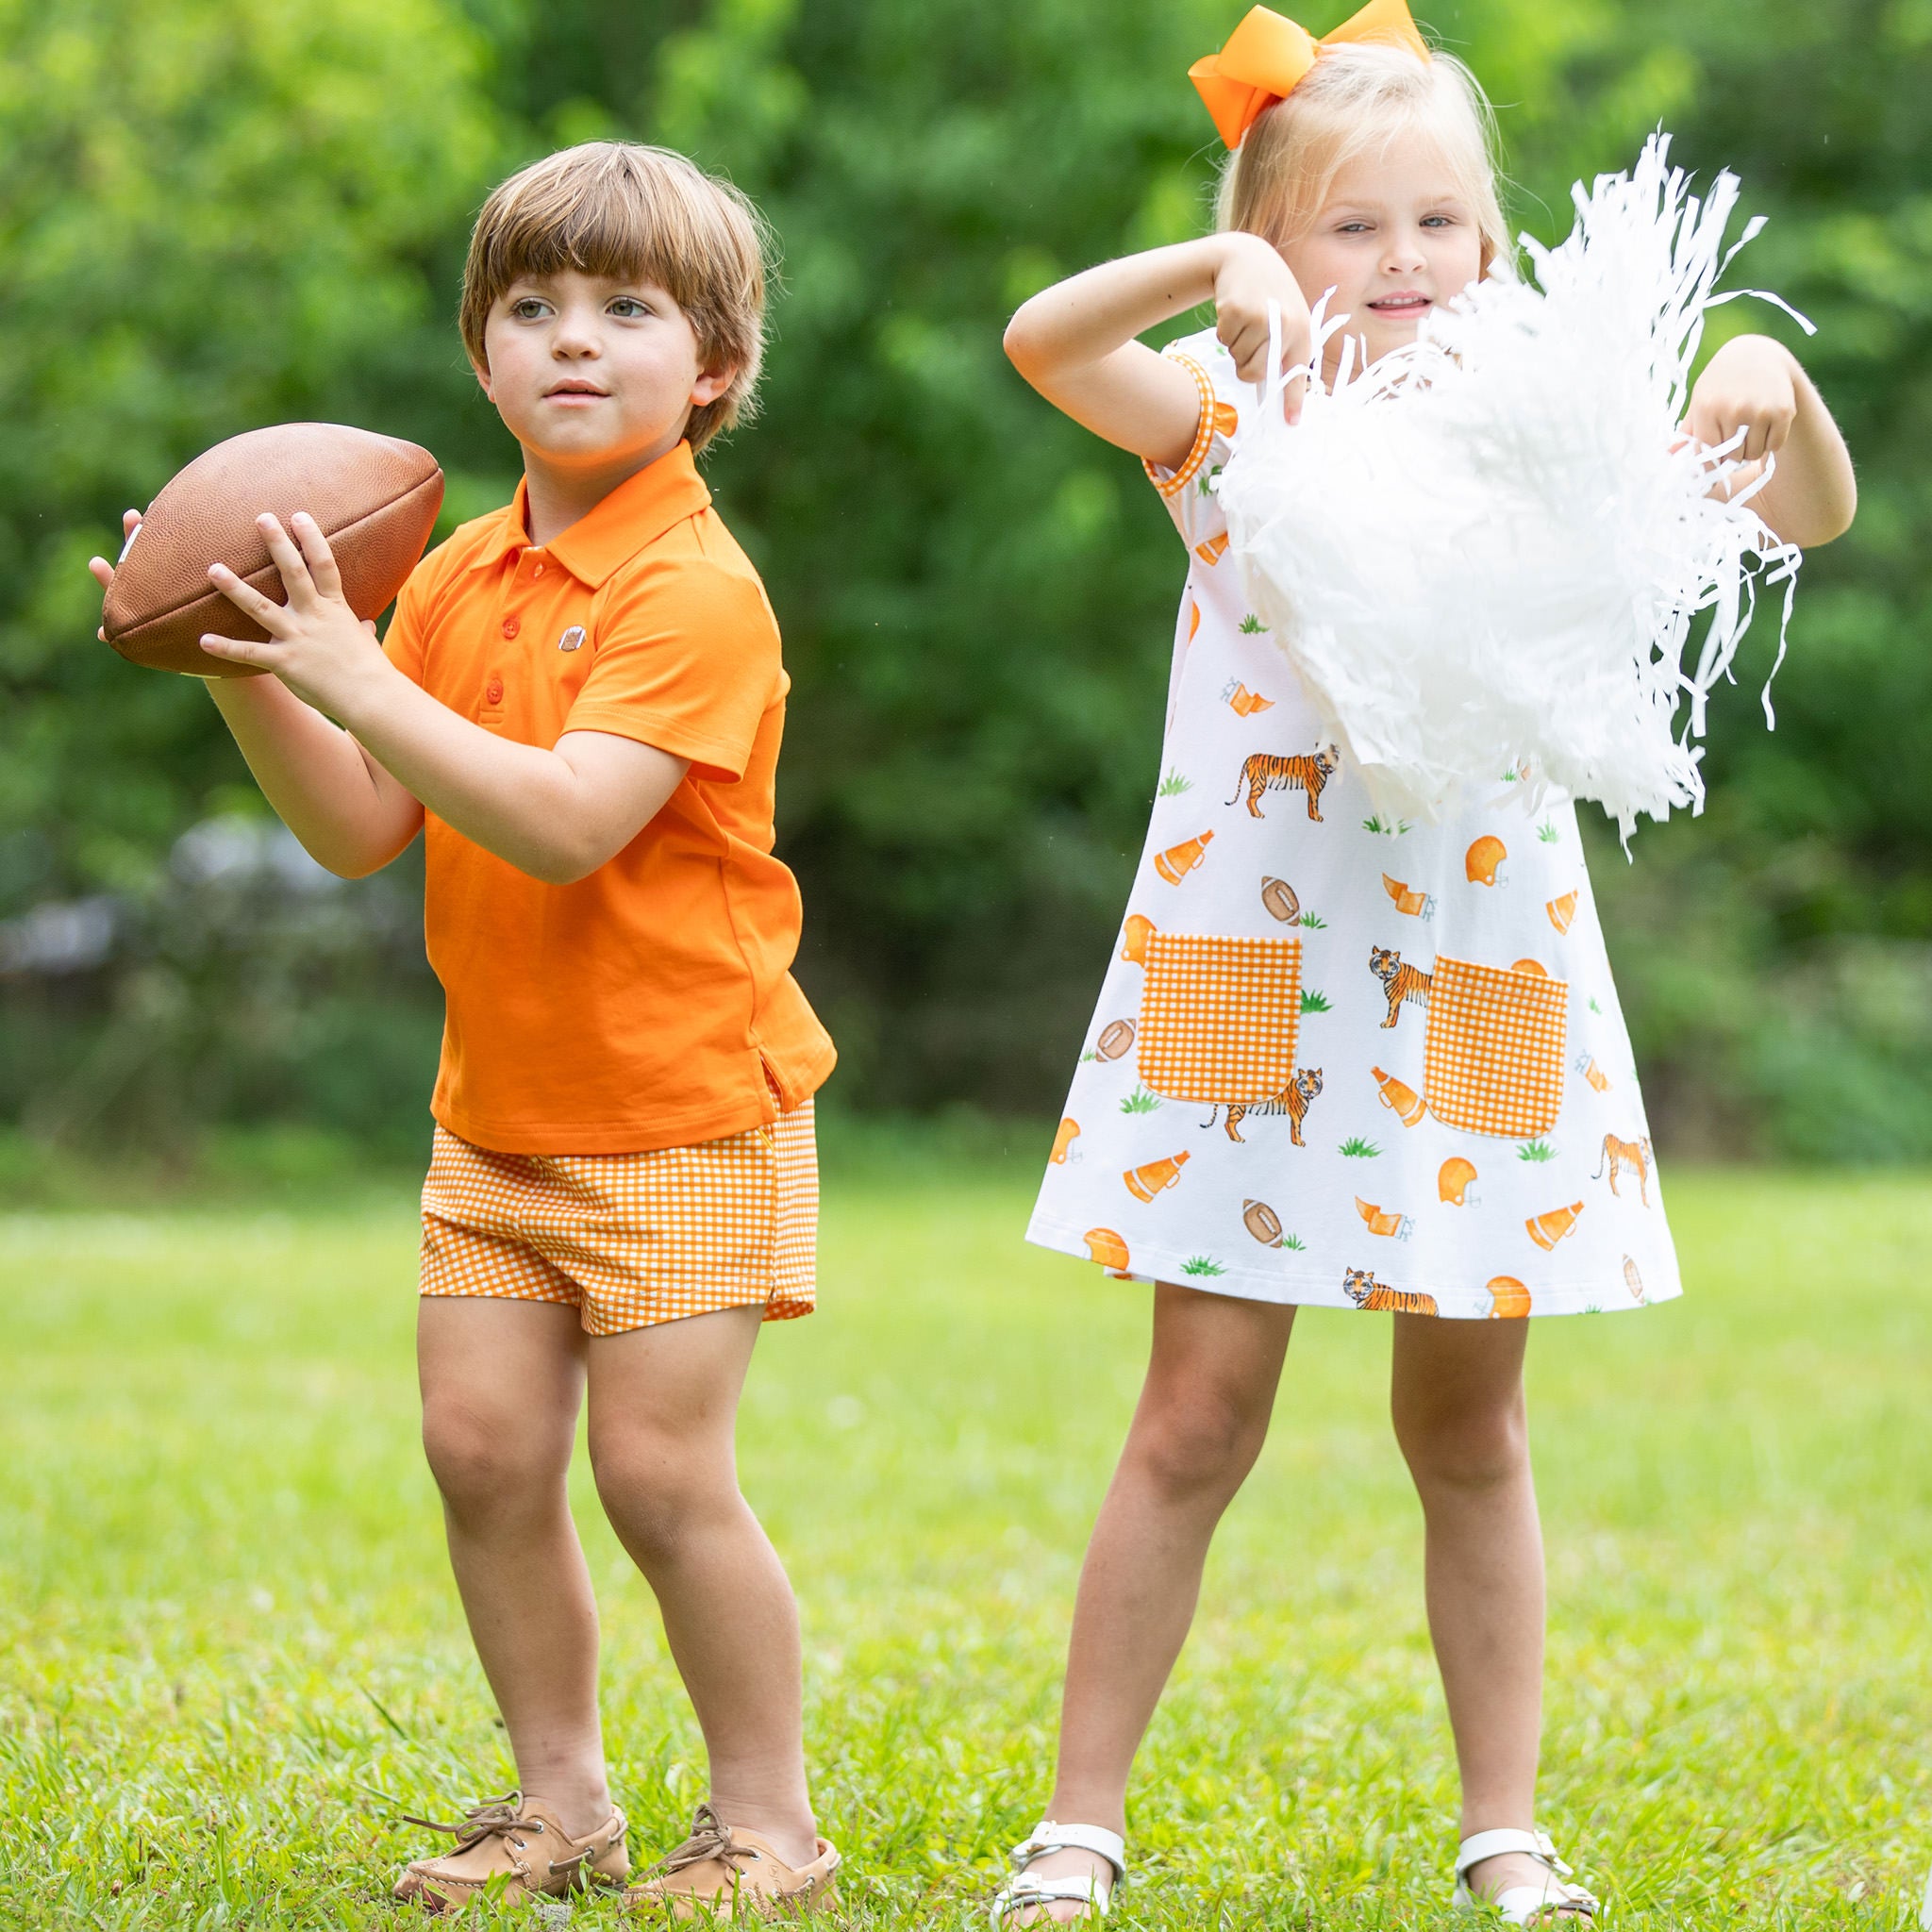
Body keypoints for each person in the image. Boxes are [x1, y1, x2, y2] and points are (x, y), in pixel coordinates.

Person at [996, 5, 1857, 1924]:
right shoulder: (1228, 432)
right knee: (1193, 1416)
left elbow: (1810, 514)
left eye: (1440, 227)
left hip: (1482, 983)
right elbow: (1047, 344)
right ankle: (1079, 1822)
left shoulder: (1552, 450)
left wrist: (1766, 385)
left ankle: (1504, 1828)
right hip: (1254, 986)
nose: (1398, 266)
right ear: (1275, 250)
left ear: (1494, 246)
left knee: (1467, 1427)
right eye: (1343, 229)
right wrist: (1200, 265)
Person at [91, 142, 841, 1919]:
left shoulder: (695, 591)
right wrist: (255, 664)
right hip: (498, 1112)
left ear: (713, 366)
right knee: (484, 1454)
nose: (573, 341)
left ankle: (769, 1830)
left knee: (661, 1476)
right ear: (481, 355)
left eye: (626, 310)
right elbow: (361, 825)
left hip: (685, 1114)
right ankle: (560, 1804)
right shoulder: (451, 576)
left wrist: (352, 670)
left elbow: (568, 820)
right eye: (533, 307)